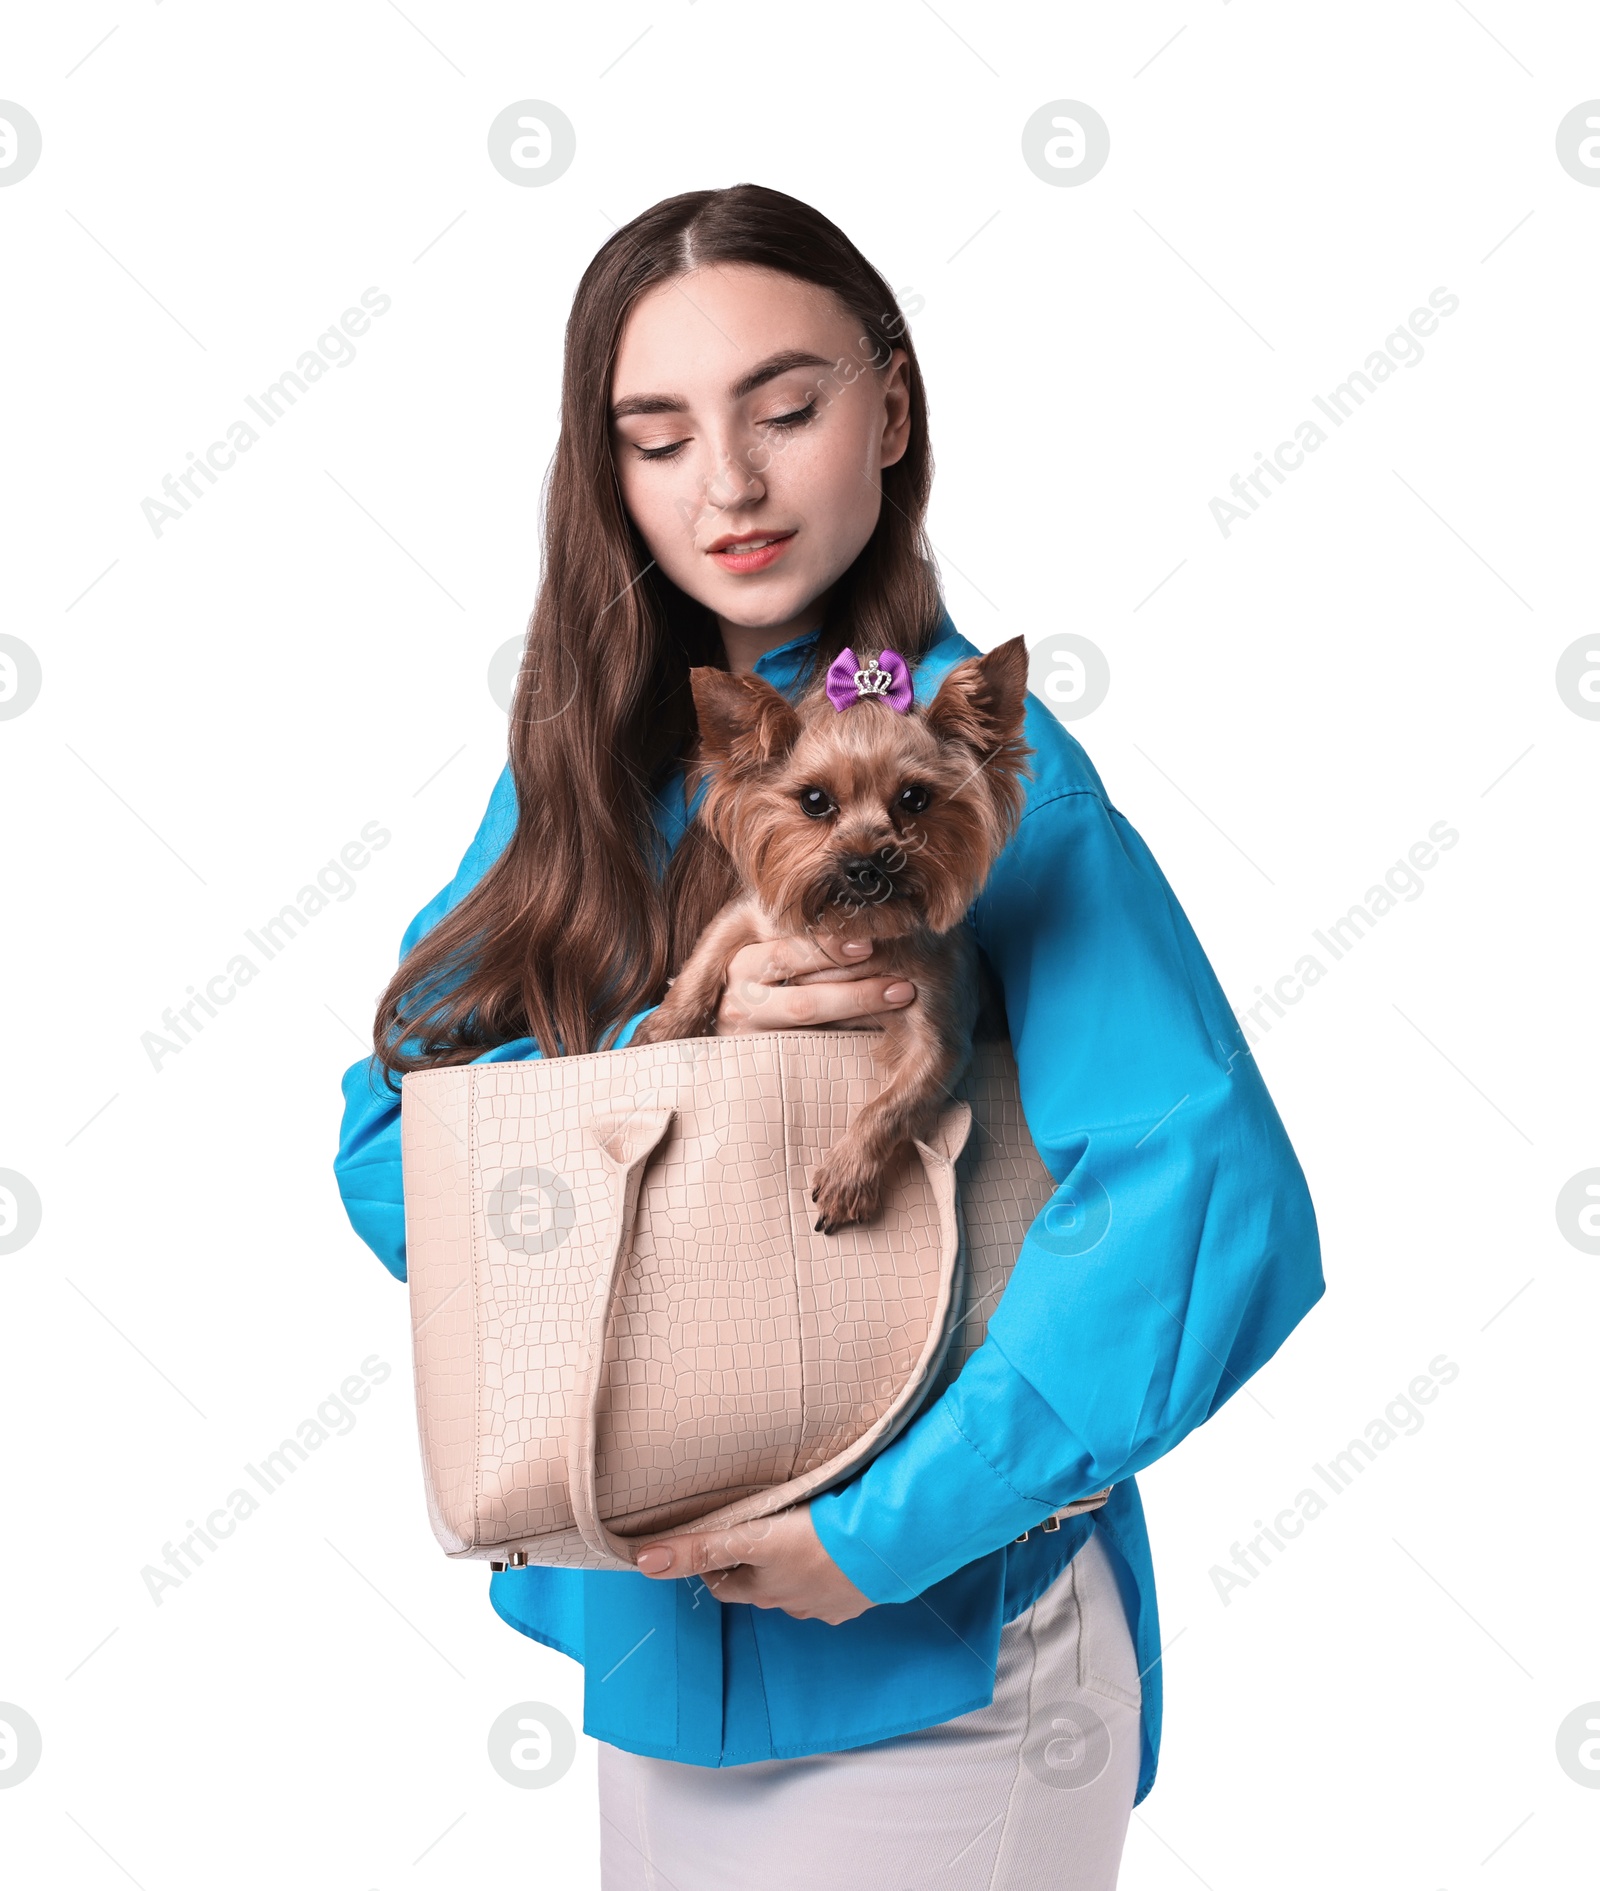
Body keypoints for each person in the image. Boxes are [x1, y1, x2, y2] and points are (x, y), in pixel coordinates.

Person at [333, 183, 1324, 1890]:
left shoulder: (982, 783)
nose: (728, 482)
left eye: (785, 409)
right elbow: (391, 1161)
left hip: (934, 1660)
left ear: (891, 409)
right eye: (657, 436)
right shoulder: (582, 786)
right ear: (607, 478)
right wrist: (676, 1046)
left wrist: (884, 1534)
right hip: (654, 1645)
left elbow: (1202, 1198)